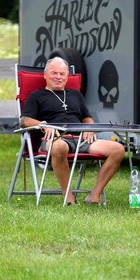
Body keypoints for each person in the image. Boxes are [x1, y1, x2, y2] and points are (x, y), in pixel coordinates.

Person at [20, 57, 125, 205]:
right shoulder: (36, 95)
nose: (58, 77)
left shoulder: (75, 94)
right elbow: (24, 120)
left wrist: (89, 127)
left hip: (81, 139)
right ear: (45, 75)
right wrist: (44, 124)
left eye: (62, 74)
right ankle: (68, 196)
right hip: (55, 139)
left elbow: (87, 118)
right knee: (59, 146)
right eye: (54, 73)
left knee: (118, 149)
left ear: (67, 76)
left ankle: (93, 196)